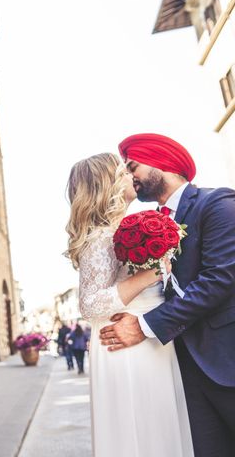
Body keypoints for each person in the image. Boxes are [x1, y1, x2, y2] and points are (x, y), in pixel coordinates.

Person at [99, 133, 235, 457]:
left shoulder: (217, 204)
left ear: (162, 161)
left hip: (226, 359)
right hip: (178, 367)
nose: (130, 177)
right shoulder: (142, 226)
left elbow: (219, 279)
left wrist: (143, 326)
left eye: (133, 166)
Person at [65, 152, 193, 456]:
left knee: (160, 430)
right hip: (124, 345)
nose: (130, 176)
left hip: (151, 338)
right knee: (140, 433)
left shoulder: (131, 226)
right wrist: (153, 273)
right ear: (106, 185)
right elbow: (91, 305)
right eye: (122, 173)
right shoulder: (100, 237)